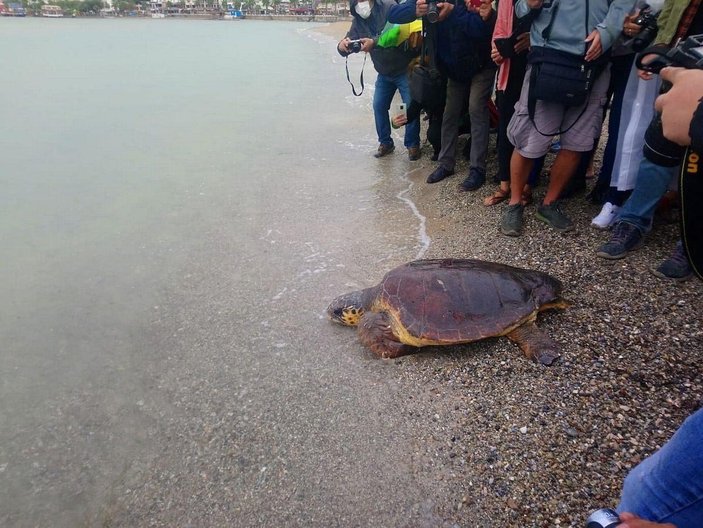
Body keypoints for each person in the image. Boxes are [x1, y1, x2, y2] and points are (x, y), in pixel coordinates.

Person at [499, 0, 635, 237]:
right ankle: (514, 202)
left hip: (595, 63)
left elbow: (623, 4)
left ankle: (550, 203)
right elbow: (519, 7)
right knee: (530, 139)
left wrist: (607, 32)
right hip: (549, 58)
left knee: (576, 141)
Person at [595, 0, 703, 281]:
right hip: (683, 66)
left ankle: (692, 243)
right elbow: (671, 17)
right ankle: (634, 221)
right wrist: (658, 51)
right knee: (658, 149)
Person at [389, 0, 497, 188]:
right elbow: (393, 15)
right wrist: (415, 9)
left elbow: (482, 29)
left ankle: (477, 170)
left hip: (481, 63)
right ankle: (446, 164)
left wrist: (454, 12)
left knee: (476, 108)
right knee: (449, 114)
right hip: (454, 68)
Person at [337, 0, 422, 160]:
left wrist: (373, 43)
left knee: (409, 105)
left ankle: (412, 144)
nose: (361, 4)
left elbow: (395, 32)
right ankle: (386, 143)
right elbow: (348, 42)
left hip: (404, 68)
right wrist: (342, 46)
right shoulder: (358, 20)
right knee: (378, 106)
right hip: (383, 72)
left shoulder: (389, 7)